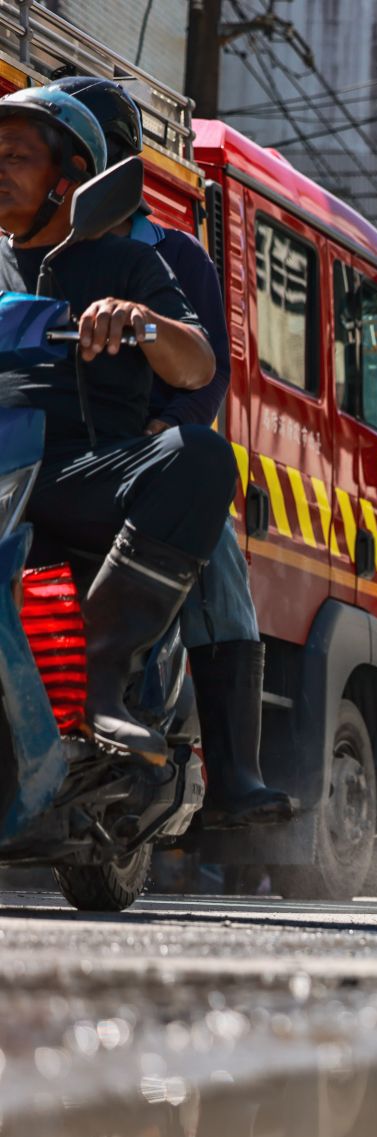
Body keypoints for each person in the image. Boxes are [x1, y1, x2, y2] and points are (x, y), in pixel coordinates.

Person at [53, 75, 290, 827]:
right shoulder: (20, 251)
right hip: (41, 452)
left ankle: (233, 779)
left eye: (78, 157)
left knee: (216, 549)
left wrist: (170, 425)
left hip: (137, 460)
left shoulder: (174, 254)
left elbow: (206, 370)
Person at [0, 87, 226, 764]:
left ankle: (104, 683)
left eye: (16, 156)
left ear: (68, 178)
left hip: (79, 473)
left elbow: (198, 365)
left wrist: (140, 320)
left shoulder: (132, 261)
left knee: (201, 456)